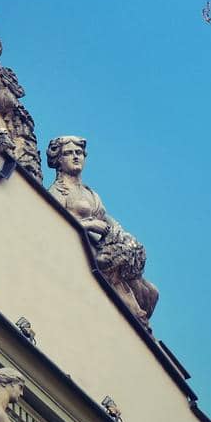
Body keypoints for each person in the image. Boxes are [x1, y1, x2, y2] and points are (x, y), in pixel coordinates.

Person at [46, 137, 159, 325]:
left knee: (151, 293)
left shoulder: (91, 193)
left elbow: (108, 220)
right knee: (109, 269)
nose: (75, 157)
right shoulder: (59, 191)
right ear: (58, 160)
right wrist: (89, 225)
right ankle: (136, 318)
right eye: (68, 153)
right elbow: (55, 222)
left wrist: (121, 234)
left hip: (105, 247)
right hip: (87, 252)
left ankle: (140, 328)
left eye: (79, 153)